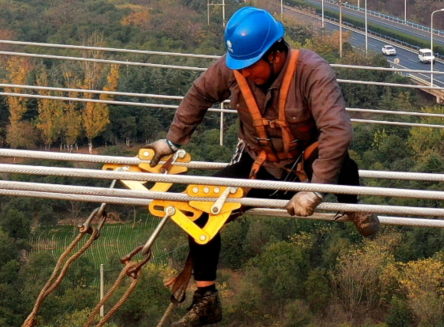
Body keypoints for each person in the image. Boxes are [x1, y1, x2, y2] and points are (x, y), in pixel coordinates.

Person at [146, 6, 380, 327]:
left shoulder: (312, 71)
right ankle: (207, 299)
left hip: (311, 165)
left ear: (275, 55)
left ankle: (353, 204)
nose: (243, 73)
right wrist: (173, 141)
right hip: (260, 165)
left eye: (250, 66)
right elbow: (199, 94)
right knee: (196, 206)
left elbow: (338, 132)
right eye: (239, 67)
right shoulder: (236, 69)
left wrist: (314, 191)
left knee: (338, 160)